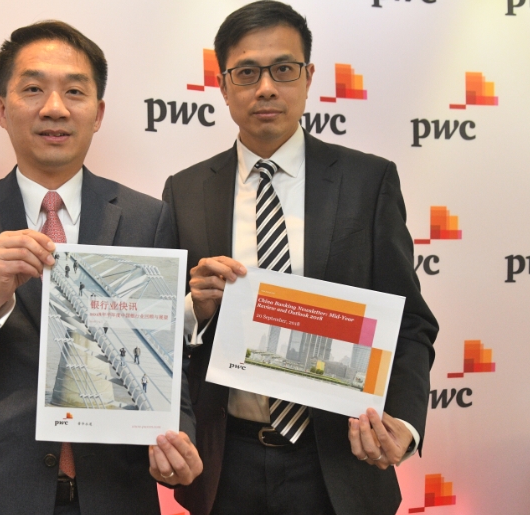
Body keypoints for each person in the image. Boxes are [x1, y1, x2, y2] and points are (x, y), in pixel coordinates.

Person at [0, 21, 201, 515]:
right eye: (33, 89)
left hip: (115, 494)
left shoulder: (148, 219)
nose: (55, 107)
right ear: (0, 108)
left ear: (98, 113)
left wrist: (176, 436)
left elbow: (163, 357)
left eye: (74, 91)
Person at [162, 2, 438, 515]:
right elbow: (159, 332)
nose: (266, 87)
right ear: (223, 86)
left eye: (284, 69)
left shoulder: (368, 182)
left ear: (309, 78)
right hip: (226, 465)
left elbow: (411, 322)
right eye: (247, 72)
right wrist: (194, 309)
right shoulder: (186, 191)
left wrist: (403, 423)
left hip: (341, 462)